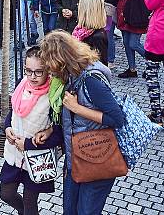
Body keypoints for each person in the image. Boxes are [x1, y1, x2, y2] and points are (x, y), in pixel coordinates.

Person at [39, 30, 125, 215]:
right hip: (76, 160)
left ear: (61, 60)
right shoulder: (70, 76)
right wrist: (50, 131)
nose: (49, 70)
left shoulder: (91, 80)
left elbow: (118, 119)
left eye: (50, 64)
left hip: (96, 159)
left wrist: (78, 109)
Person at [0, 46, 64, 215]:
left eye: (38, 72)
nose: (32, 77)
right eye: (28, 71)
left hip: (37, 158)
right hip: (14, 155)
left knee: (30, 201)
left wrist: (28, 144)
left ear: (48, 70)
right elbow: (13, 113)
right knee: (6, 193)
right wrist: (7, 128)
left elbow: (59, 134)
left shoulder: (52, 95)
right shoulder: (22, 85)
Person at [102, 0, 149, 78]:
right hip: (126, 12)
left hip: (137, 13)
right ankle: (132, 68)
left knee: (133, 43)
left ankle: (152, 61)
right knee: (127, 43)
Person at [70, 0, 109, 64]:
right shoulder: (80, 30)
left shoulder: (97, 37)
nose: (78, 7)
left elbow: (101, 66)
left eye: (79, 6)